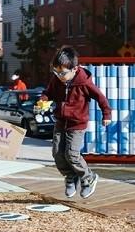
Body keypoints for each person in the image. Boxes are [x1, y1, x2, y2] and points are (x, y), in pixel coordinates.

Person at [40, 47, 112, 199]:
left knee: (71, 154)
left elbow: (101, 98)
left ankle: (88, 178)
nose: (60, 76)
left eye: (63, 73)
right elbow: (48, 92)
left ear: (75, 69)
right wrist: (42, 100)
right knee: (57, 153)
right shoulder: (57, 80)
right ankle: (70, 177)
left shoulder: (84, 83)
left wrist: (106, 114)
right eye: (56, 72)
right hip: (61, 121)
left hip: (77, 123)